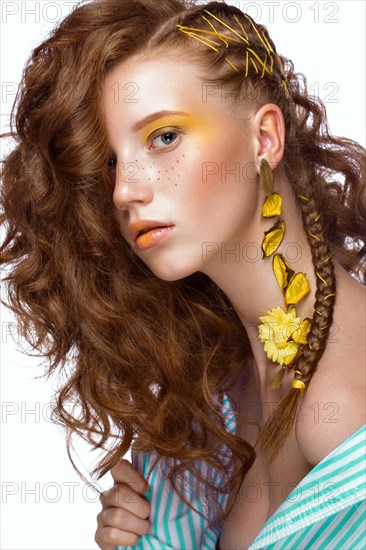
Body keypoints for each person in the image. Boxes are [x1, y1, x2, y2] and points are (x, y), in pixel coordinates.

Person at [0, 0, 364, 549]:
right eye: (111, 163)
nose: (125, 191)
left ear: (264, 138)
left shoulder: (349, 414)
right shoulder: (213, 391)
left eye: (164, 137)